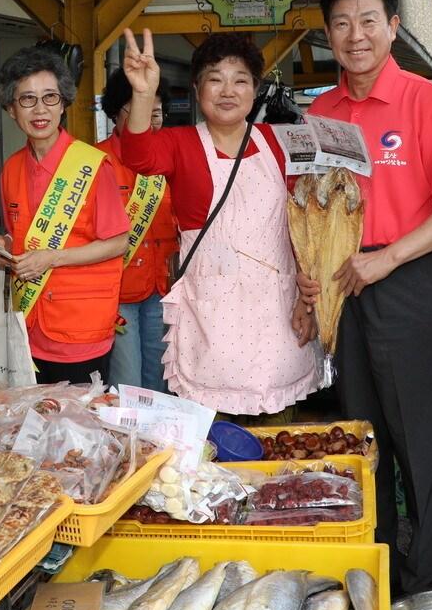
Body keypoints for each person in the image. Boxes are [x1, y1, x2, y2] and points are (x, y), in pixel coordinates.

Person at [305, 0, 432, 593]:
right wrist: (312, 281)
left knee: (420, 435)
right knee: (361, 432)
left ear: (393, 27)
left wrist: (390, 258)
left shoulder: (426, 102)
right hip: (343, 284)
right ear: (328, 33)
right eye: (342, 24)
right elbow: (313, 206)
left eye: (368, 21)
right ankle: (374, 567)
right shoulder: (321, 110)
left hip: (407, 280)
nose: (356, 35)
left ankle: (428, 577)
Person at [117, 30, 320, 418]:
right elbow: (138, 155)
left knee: (277, 438)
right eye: (215, 79)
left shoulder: (280, 143)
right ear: (197, 89)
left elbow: (305, 227)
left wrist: (306, 300)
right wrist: (143, 94)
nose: (228, 90)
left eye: (240, 80)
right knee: (212, 441)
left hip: (277, 315)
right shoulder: (181, 143)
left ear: (255, 89)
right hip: (211, 319)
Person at [0, 45, 128, 385]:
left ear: (63, 103)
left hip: (81, 327)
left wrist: (52, 258)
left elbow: (118, 242)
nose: (40, 109)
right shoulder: (12, 168)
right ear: (10, 109)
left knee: (80, 429)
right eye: (27, 99)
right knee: (36, 425)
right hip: (30, 325)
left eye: (50, 98)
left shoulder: (93, 166)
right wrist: (1, 246)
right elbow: (19, 236)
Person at [95, 66, 179, 394]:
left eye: (156, 112)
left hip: (163, 284)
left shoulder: (170, 156)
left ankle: (156, 447)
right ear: (116, 112)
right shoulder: (95, 160)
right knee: (126, 385)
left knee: (160, 382)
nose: (148, 119)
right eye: (140, 109)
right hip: (116, 291)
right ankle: (130, 446)